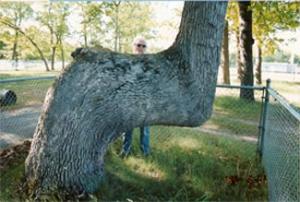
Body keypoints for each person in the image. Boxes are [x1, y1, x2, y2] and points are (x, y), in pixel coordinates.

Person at [120, 37, 150, 157]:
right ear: (134, 46)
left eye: (143, 46)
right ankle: (125, 152)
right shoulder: (127, 61)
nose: (141, 48)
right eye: (139, 45)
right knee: (127, 129)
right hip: (130, 101)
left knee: (145, 130)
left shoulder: (148, 63)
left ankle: (145, 154)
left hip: (144, 102)